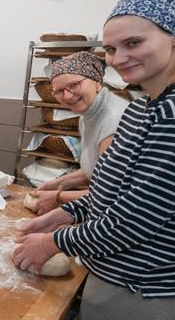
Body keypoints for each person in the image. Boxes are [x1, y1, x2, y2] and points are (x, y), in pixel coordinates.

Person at [15, 0, 175, 320]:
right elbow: (108, 186)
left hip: (143, 287)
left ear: (173, 36)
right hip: (118, 276)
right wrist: (63, 212)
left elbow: (134, 220)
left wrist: (53, 243)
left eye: (134, 42)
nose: (119, 58)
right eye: (111, 49)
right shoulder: (146, 104)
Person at [32, 51, 129, 214]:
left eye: (74, 85)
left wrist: (58, 196)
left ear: (97, 82)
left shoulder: (114, 118)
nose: (67, 96)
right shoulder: (88, 116)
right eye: (59, 91)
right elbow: (96, 170)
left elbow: (113, 192)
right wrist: (57, 184)